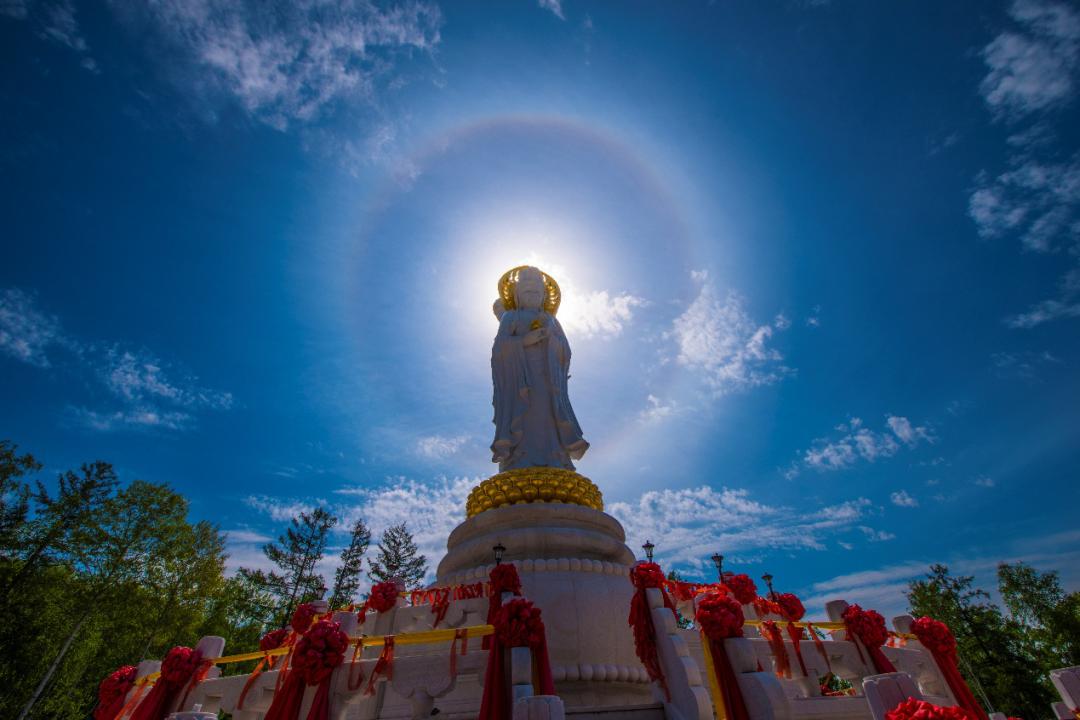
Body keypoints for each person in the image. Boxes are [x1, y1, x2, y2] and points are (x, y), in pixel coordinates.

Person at [490, 266, 588, 471]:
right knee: (524, 415)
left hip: (549, 380)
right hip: (521, 382)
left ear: (544, 295)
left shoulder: (551, 320)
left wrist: (551, 339)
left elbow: (565, 352)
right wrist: (525, 341)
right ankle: (519, 459)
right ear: (516, 295)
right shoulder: (511, 317)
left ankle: (556, 458)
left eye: (537, 288)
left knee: (549, 416)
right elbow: (500, 348)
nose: (532, 290)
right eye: (526, 287)